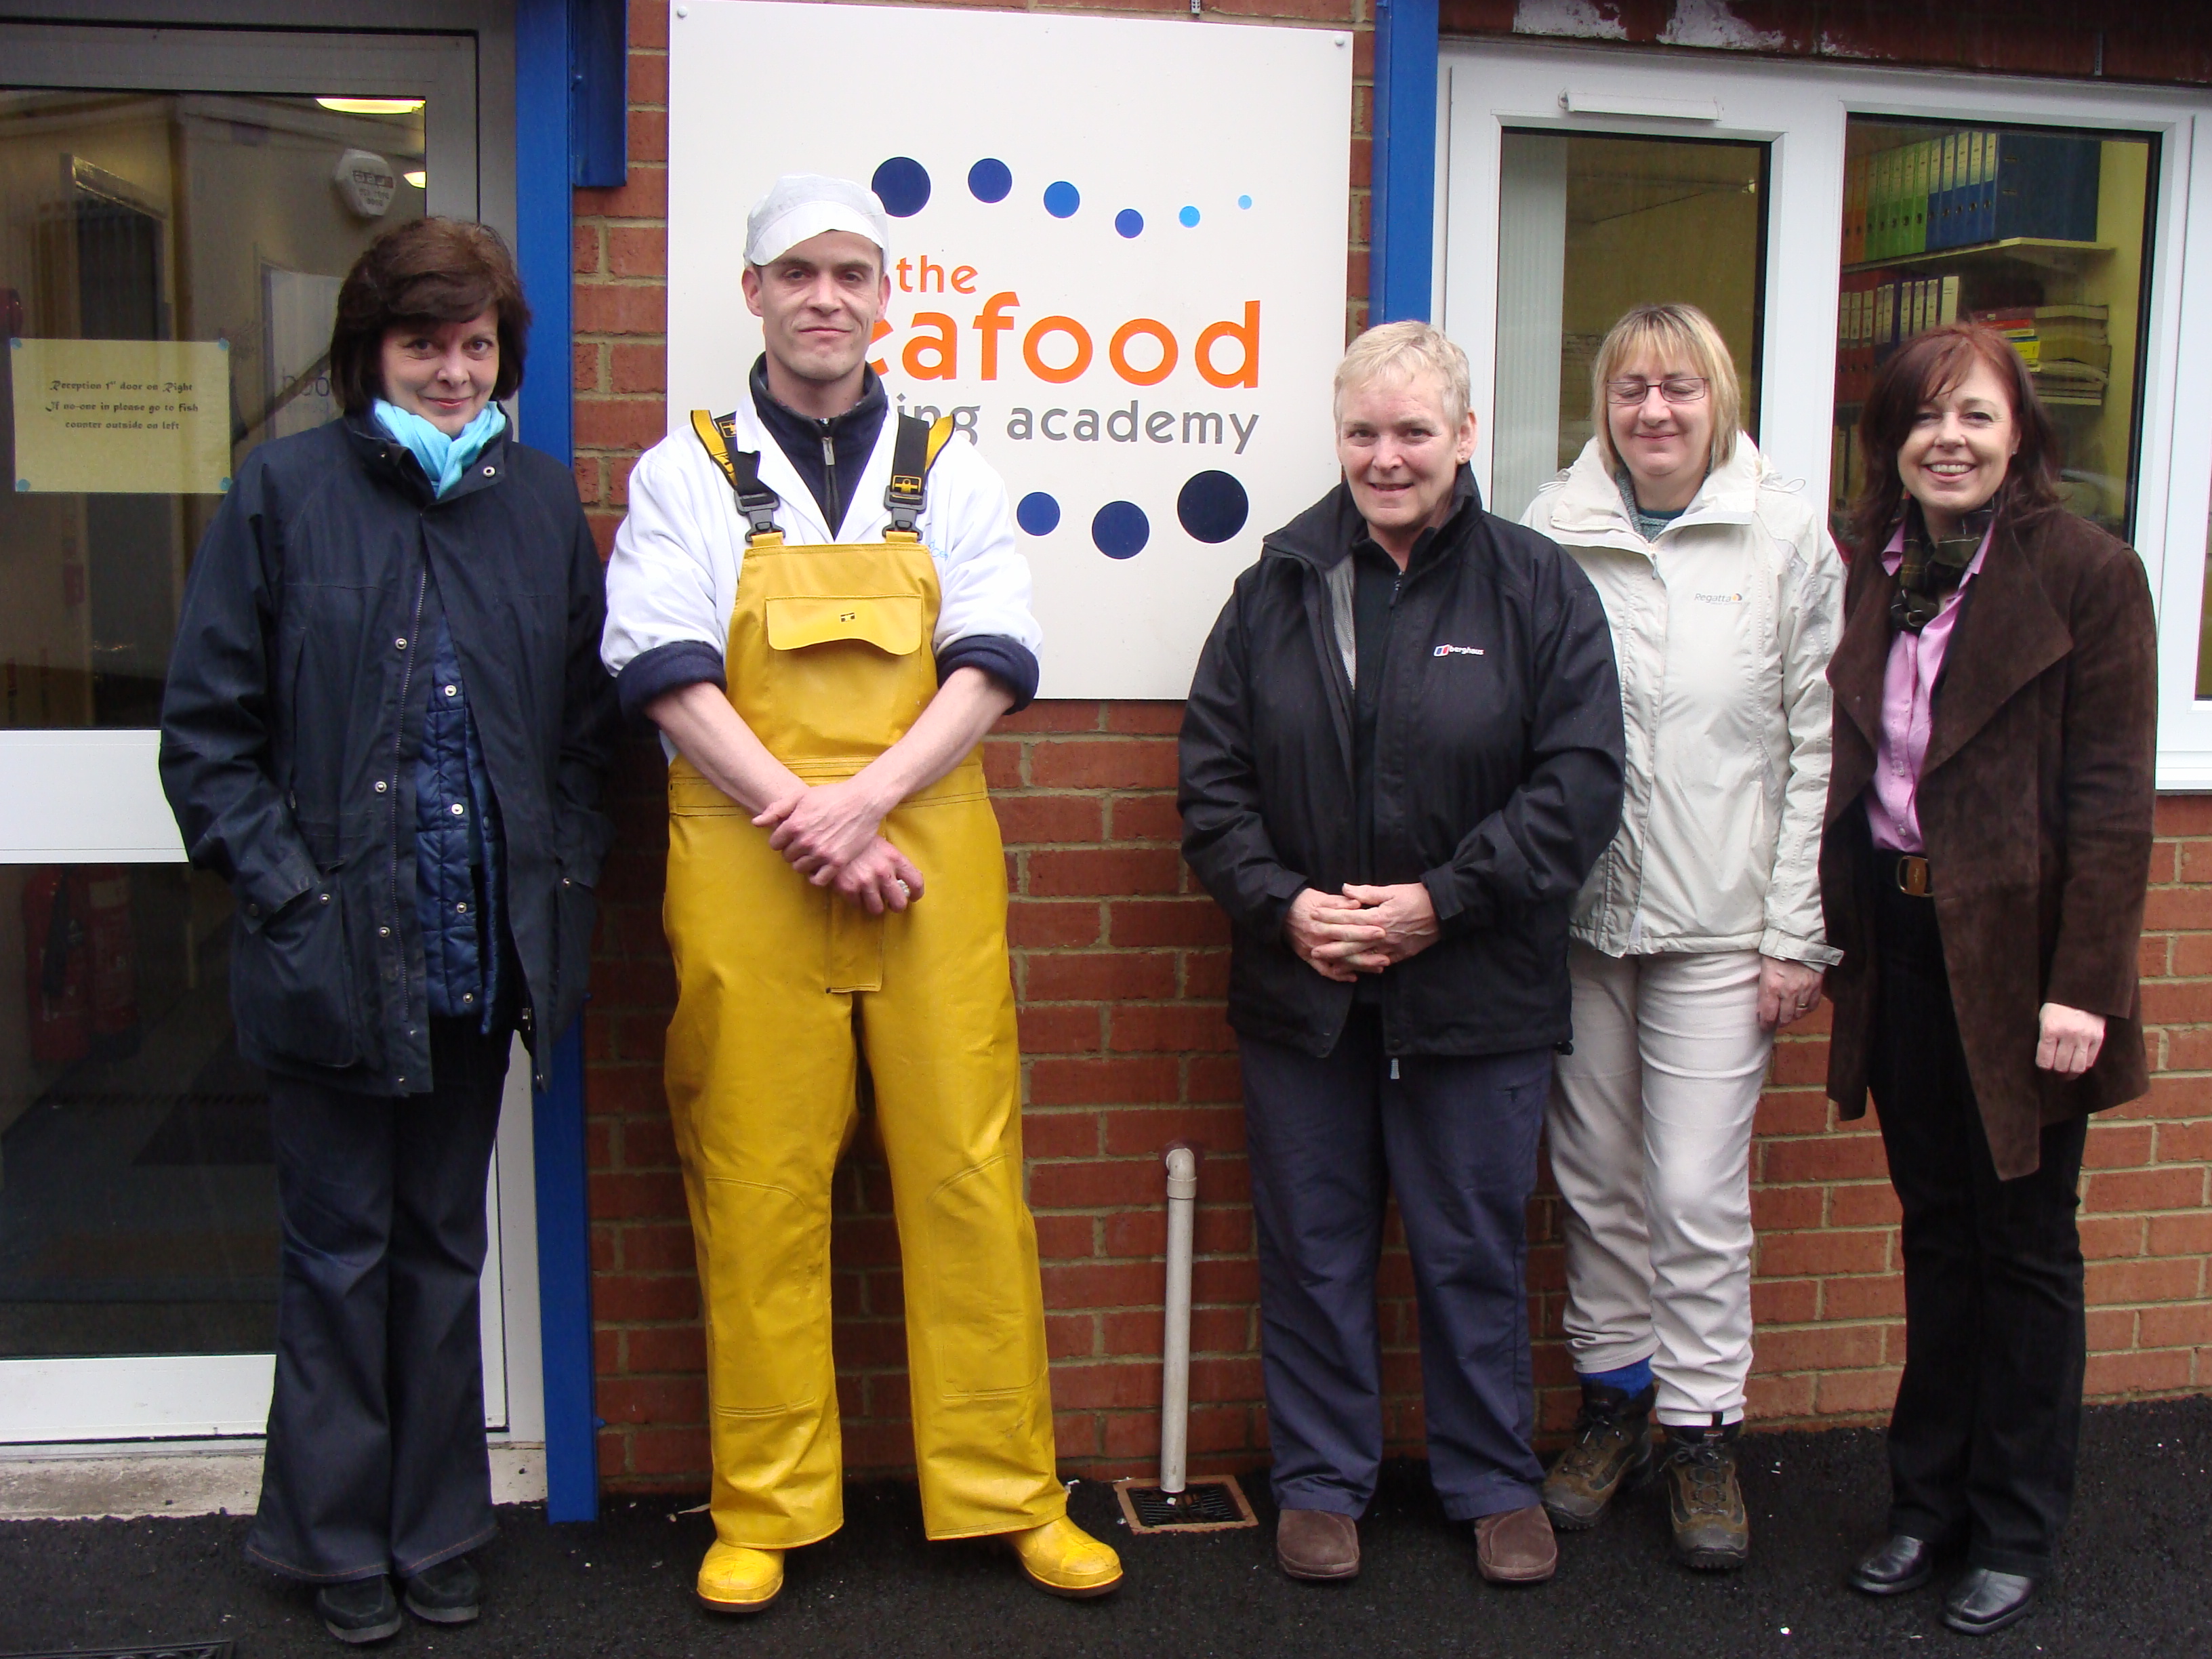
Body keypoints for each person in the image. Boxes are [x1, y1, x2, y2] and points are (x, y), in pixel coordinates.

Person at [600, 175, 1120, 1612]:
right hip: (747, 864)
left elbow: (997, 656)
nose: (825, 297)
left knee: (968, 1174)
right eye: (797, 273)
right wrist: (810, 818)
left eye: (851, 273)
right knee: (758, 1181)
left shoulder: (947, 465)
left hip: (922, 857)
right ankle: (764, 1507)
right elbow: (659, 667)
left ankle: (1013, 1495)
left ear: (885, 298)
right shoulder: (683, 472)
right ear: (753, 293)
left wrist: (861, 804)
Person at [159, 218, 619, 1645]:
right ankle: (334, 1538)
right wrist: (292, 896)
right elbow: (208, 740)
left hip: (479, 962)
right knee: (337, 1255)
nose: (453, 370)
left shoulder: (538, 503)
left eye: (476, 345)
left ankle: (436, 1528)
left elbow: (586, 735)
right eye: (425, 343)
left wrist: (561, 875)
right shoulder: (282, 493)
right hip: (331, 959)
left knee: (438, 1253)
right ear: (371, 351)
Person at [1179, 321, 1625, 1588]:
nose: (1387, 457)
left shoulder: (1537, 588)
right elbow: (1212, 785)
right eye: (1364, 433)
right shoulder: (1276, 586)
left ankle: (1493, 1482)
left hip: (1476, 991)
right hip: (1306, 992)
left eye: (1414, 431)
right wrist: (1283, 908)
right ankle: (1323, 1483)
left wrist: (1441, 903)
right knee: (1313, 1246)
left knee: (1472, 1245)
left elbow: (1580, 786)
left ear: (1465, 436)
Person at [1821, 323, 2155, 1637]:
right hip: (1902, 943)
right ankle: (1927, 1506)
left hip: (2025, 965)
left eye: (1974, 415)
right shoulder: (1873, 566)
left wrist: (2085, 987)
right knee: (1935, 1230)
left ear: (2020, 435)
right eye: (1923, 416)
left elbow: (2113, 802)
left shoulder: (2088, 574)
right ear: (1891, 439)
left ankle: (2014, 1526)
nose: (1947, 439)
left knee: (2024, 1247)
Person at [1520, 303, 1843, 1570]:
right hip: (1582, 921)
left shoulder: (1785, 533)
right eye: (1631, 389)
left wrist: (1796, 932)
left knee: (1697, 1190)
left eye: (1680, 388)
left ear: (1721, 398)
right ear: (1604, 406)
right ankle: (1614, 1406)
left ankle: (1702, 1429)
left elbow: (1817, 745)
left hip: (1721, 925)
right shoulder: (1552, 529)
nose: (1655, 411)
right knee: (1596, 1181)